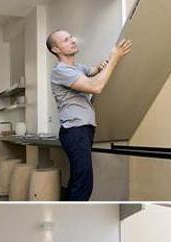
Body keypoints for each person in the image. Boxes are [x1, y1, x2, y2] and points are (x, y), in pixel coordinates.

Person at [47, 30, 132, 201]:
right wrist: (115, 58)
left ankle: (68, 216)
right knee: (84, 183)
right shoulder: (61, 71)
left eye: (71, 37)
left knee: (78, 181)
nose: (72, 41)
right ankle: (74, 220)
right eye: (65, 40)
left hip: (82, 130)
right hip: (75, 131)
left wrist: (105, 63)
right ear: (56, 50)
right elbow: (95, 87)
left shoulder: (77, 68)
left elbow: (95, 70)